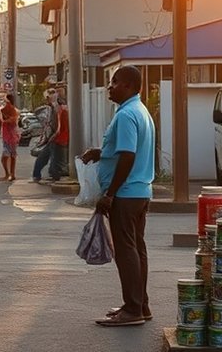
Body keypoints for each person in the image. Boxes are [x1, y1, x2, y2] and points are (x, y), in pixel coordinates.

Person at [80, 66, 155, 327]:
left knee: (126, 252)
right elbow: (124, 149)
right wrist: (101, 152)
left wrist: (110, 193)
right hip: (140, 191)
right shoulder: (139, 111)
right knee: (137, 249)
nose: (110, 86)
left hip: (126, 193)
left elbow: (128, 155)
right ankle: (139, 305)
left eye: (115, 82)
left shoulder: (127, 115)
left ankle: (133, 310)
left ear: (130, 86)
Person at [31, 88, 59, 183]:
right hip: (52, 136)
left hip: (54, 136)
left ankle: (51, 175)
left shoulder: (55, 108)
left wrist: (52, 135)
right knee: (47, 157)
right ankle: (40, 175)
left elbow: (55, 124)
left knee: (47, 157)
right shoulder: (51, 108)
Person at [0, 93, 20, 182]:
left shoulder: (14, 110)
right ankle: (8, 174)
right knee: (7, 156)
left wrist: (4, 120)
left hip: (12, 136)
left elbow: (13, 121)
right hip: (7, 136)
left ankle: (11, 174)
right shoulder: (3, 110)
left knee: (10, 156)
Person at [48, 96, 70, 181]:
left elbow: (60, 129)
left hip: (60, 139)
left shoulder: (61, 112)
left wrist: (52, 137)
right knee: (59, 159)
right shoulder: (64, 110)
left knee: (56, 160)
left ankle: (56, 176)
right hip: (63, 138)